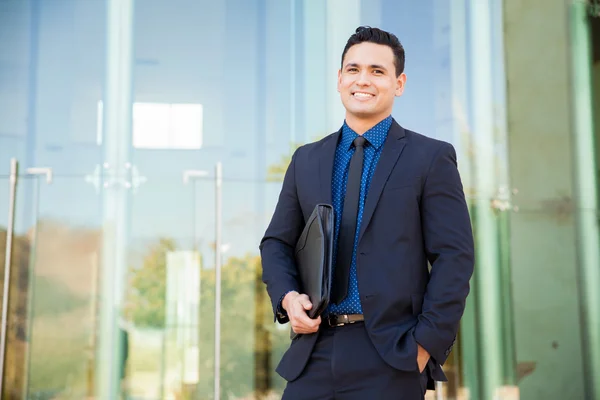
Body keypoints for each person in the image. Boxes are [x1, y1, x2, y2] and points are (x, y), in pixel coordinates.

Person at [260, 26, 474, 399]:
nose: (363, 80)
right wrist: (288, 298)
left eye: (377, 71)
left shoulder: (431, 158)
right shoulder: (306, 160)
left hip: (393, 355)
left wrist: (424, 345)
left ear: (399, 83)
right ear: (340, 79)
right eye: (353, 69)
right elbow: (276, 243)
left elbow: (454, 258)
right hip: (313, 352)